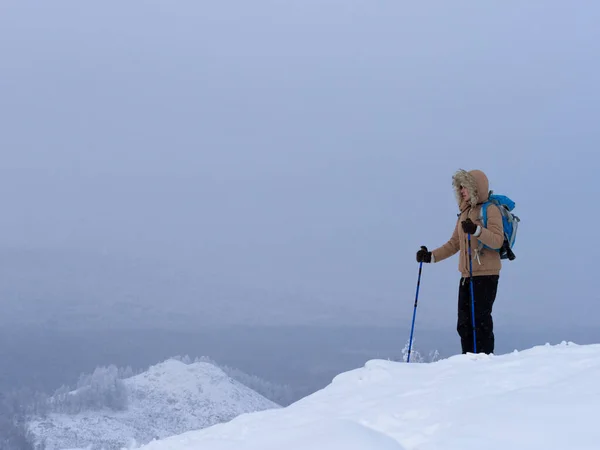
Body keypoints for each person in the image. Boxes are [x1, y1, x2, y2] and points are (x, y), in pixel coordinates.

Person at [416, 169, 504, 355]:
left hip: (486, 275)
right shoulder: (465, 213)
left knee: (480, 321)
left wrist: (477, 230)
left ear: (475, 188)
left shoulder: (490, 210)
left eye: (465, 186)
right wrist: (430, 256)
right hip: (466, 275)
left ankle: (485, 360)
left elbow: (498, 240)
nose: (462, 190)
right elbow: (454, 244)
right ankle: (468, 360)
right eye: (460, 187)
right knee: (464, 323)